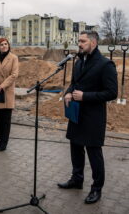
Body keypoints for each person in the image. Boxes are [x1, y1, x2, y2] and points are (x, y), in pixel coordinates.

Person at [57, 30, 118, 204]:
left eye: (83, 41)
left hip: (93, 117)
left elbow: (112, 93)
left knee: (94, 154)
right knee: (75, 148)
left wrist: (85, 96)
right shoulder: (78, 62)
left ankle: (96, 189)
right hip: (77, 114)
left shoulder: (106, 64)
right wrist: (69, 93)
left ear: (93, 43)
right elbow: (74, 83)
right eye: (79, 41)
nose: (80, 44)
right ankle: (77, 179)